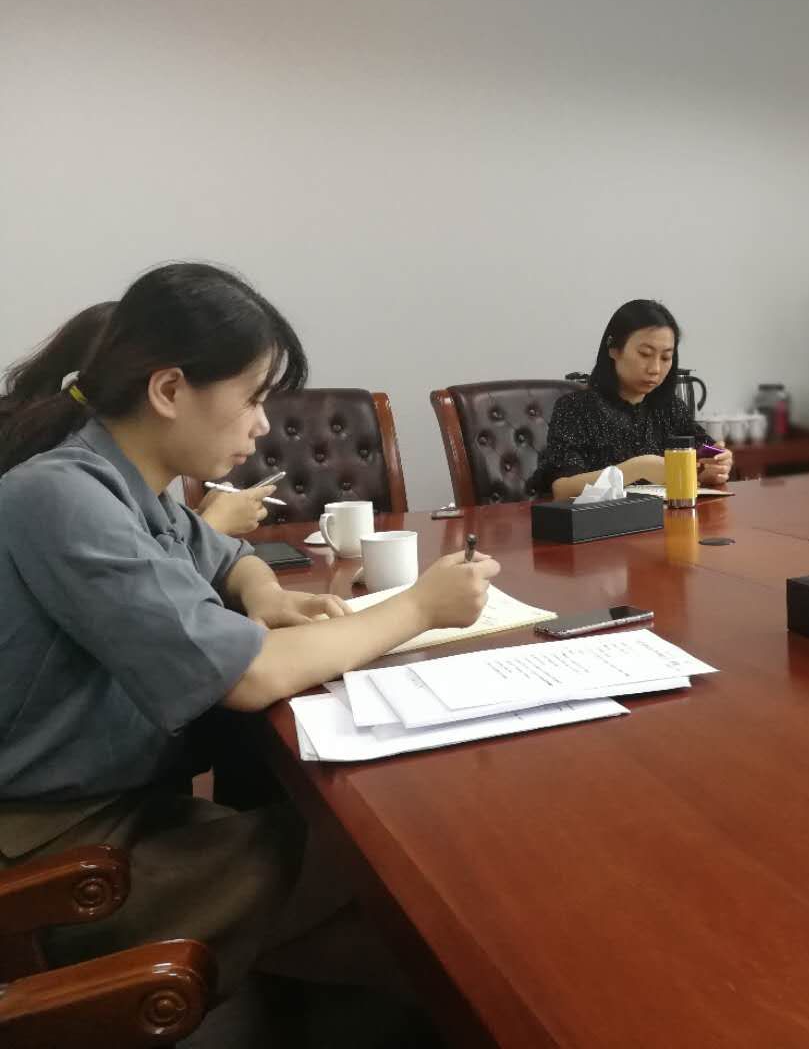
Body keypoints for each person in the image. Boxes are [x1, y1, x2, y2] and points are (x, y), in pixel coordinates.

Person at [0, 263, 499, 1039]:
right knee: (412, 878)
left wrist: (264, 595)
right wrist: (417, 608)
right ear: (170, 390)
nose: (263, 424)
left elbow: (229, 556)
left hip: (124, 811)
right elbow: (251, 675)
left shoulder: (131, 486)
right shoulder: (62, 497)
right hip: (59, 854)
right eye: (254, 398)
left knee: (399, 914)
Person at [2, 300, 275, 536]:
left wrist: (197, 525)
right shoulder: (63, 484)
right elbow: (123, 556)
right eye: (252, 399)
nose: (262, 425)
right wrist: (213, 526)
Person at [529, 299, 734, 499]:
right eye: (645, 354)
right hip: (602, 521)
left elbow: (707, 456)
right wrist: (638, 468)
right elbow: (562, 490)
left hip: (666, 519)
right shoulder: (575, 408)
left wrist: (713, 468)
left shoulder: (670, 408)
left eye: (665, 357)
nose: (655, 369)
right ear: (614, 349)